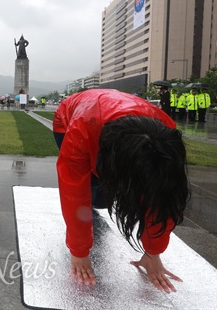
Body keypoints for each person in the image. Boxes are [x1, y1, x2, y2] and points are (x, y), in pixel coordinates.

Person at [53, 89, 190, 293]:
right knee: (94, 197)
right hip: (69, 119)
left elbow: (163, 194)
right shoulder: (81, 130)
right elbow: (73, 191)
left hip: (110, 120)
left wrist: (153, 253)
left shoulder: (166, 133)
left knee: (113, 194)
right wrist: (79, 251)